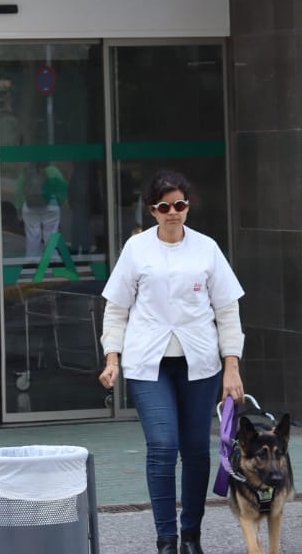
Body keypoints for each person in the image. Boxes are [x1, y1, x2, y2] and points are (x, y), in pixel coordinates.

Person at [97, 170, 245, 554]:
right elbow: (116, 309)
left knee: (196, 448)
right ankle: (166, 538)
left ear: (188, 206)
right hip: (149, 363)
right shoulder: (137, 250)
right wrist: (112, 358)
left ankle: (191, 535)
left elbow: (227, 311)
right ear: (152, 211)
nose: (173, 212)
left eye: (180, 205)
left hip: (200, 362)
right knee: (163, 446)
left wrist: (232, 367)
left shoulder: (207, 248)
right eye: (165, 207)